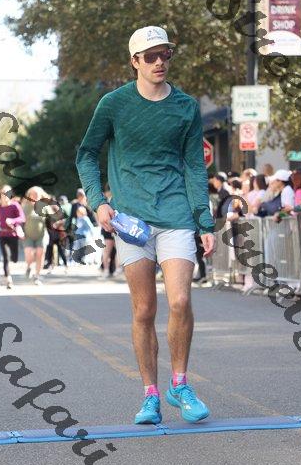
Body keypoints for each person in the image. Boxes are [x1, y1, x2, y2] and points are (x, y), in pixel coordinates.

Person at [76, 25, 215, 425]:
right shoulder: (114, 104)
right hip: (131, 221)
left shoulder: (186, 106)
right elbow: (87, 154)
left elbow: (194, 166)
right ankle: (150, 395)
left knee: (180, 301)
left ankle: (180, 384)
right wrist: (99, 202)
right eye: (150, 56)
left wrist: (205, 222)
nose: (159, 62)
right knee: (144, 309)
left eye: (165, 54)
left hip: (175, 216)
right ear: (134, 61)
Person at [0, 185, 25, 289]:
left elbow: (22, 218)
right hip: (2, 235)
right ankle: (8, 279)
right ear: (0, 195)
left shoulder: (15, 206)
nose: (5, 196)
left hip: (13, 234)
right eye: (3, 194)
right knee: (5, 258)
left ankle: (12, 258)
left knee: (14, 258)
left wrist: (12, 220)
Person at [22, 186, 49, 285]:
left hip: (41, 235)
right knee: (29, 254)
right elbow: (20, 221)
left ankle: (37, 276)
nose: (35, 196)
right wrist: (20, 231)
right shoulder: (25, 207)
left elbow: (52, 219)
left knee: (40, 253)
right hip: (28, 235)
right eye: (32, 194)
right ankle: (29, 266)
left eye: (37, 194)